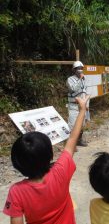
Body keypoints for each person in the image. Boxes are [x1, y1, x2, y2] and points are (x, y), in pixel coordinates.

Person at [3, 95, 89, 224]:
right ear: (50, 155)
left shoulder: (17, 192)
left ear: (17, 163)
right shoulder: (60, 171)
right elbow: (72, 139)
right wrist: (82, 109)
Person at [67, 61, 89, 147]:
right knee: (72, 124)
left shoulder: (84, 79)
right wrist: (80, 79)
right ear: (74, 70)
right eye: (78, 69)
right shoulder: (70, 79)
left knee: (82, 124)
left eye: (81, 68)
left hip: (82, 105)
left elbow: (85, 92)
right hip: (73, 105)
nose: (80, 70)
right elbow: (73, 89)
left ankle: (79, 140)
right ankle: (71, 144)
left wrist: (86, 105)